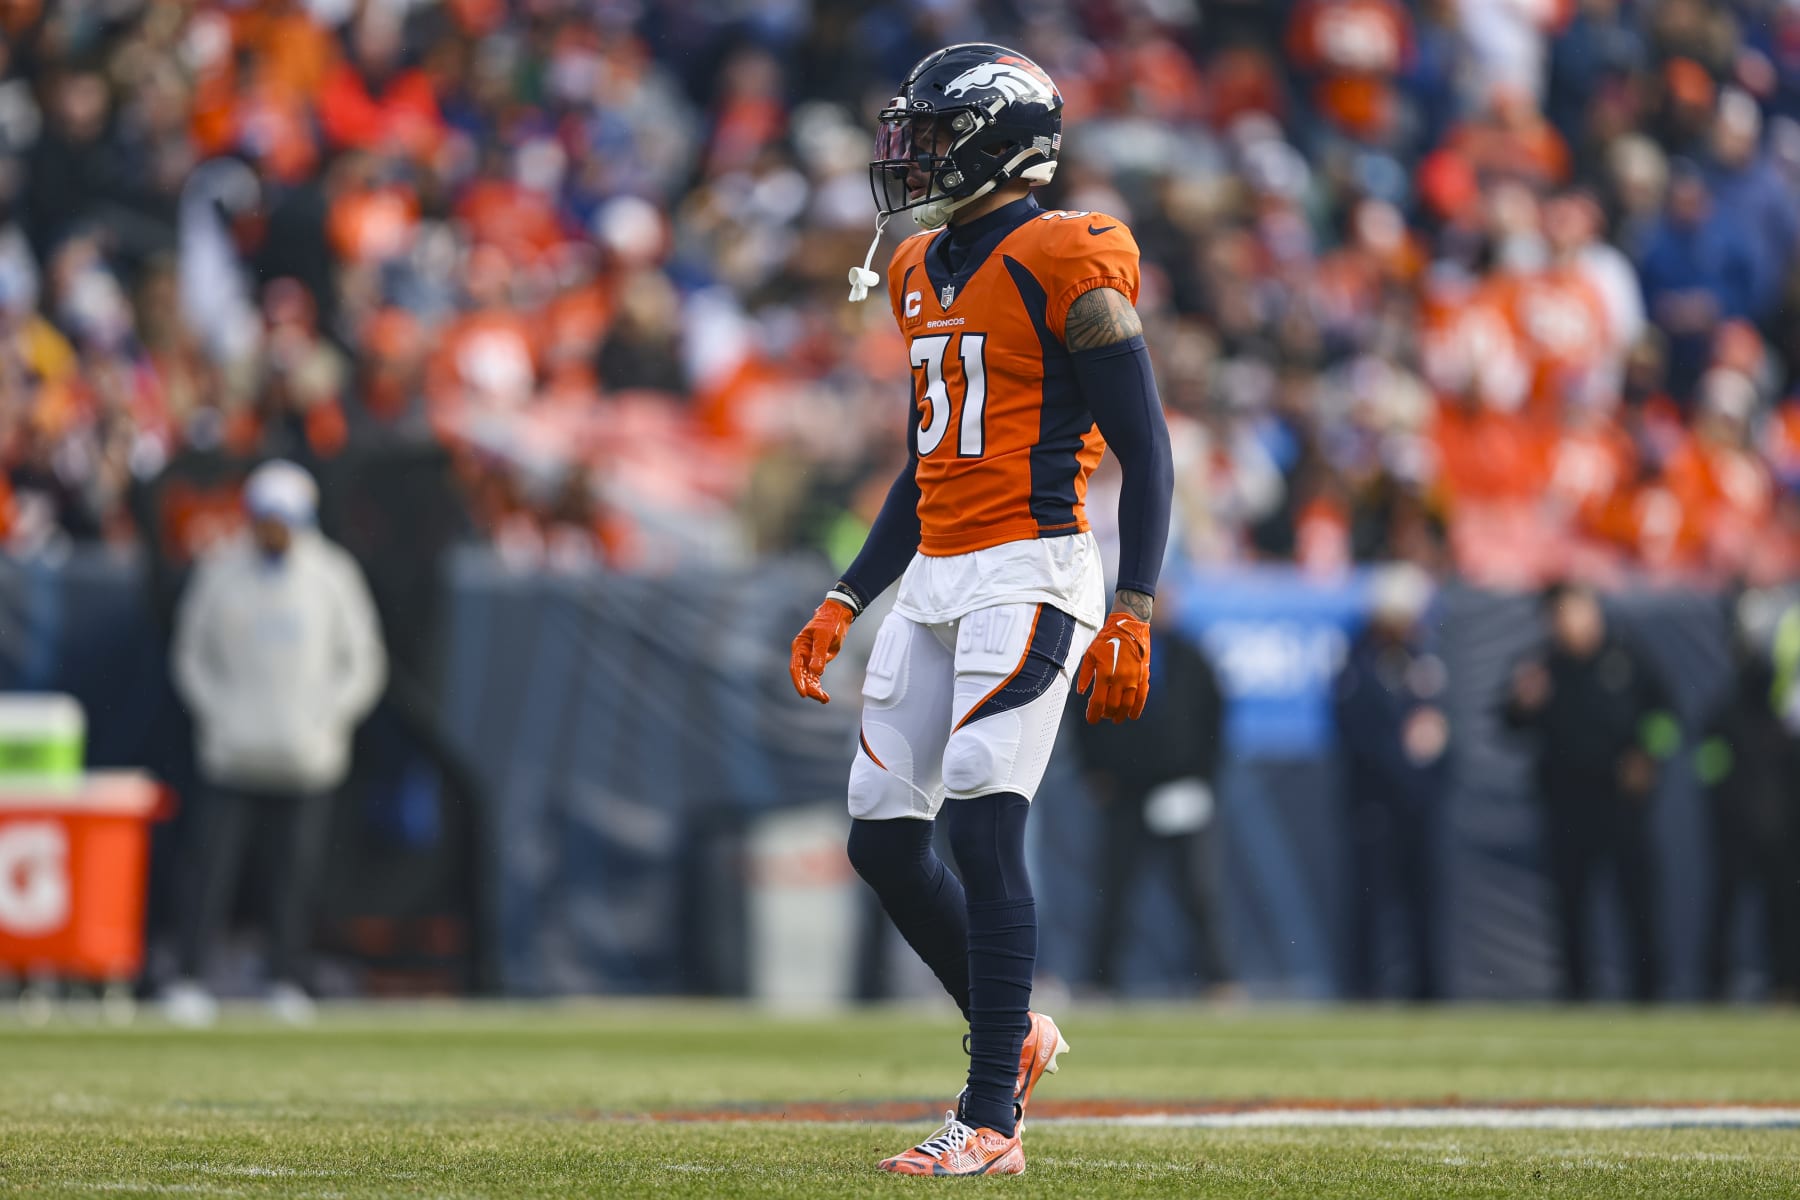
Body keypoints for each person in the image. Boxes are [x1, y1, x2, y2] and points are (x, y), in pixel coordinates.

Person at [787, 42, 1173, 1176]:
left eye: (937, 133)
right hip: (942, 568)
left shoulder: (1069, 253)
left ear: (1004, 139)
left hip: (1034, 569)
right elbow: (927, 461)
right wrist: (847, 591)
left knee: (984, 816)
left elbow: (1147, 453)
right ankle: (1019, 1033)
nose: (915, 156)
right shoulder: (914, 268)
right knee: (880, 834)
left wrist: (1136, 602)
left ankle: (990, 1115)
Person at [163, 460, 387, 1026]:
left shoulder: (333, 575)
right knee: (211, 870)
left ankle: (287, 978)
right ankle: (189, 977)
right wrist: (220, 716)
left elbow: (361, 663)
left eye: (282, 520)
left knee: (295, 876)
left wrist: (326, 722)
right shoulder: (220, 571)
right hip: (232, 750)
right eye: (265, 519)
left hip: (307, 755)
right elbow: (192, 655)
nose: (273, 531)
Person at [1502, 581, 1673, 1002]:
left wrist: (1648, 756)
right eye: (1561, 615)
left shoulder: (1627, 658)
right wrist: (1521, 703)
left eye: (1578, 611)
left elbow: (1667, 716)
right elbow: (1508, 723)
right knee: (1570, 906)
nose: (1571, 623)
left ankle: (1648, 995)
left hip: (1621, 802)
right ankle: (1576, 995)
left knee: (1636, 903)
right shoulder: (1543, 667)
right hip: (1566, 803)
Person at [1072, 592, 1231, 998]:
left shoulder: (1190, 656)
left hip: (1178, 787)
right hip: (1125, 789)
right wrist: (1095, 770)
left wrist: (1201, 776)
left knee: (1197, 891)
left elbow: (1214, 718)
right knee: (1114, 890)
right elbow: (1083, 712)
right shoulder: (1107, 653)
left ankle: (1217, 979)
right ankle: (1099, 980)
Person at [1332, 564, 1450, 1001]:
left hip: (1419, 802)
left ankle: (1429, 990)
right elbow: (1358, 732)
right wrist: (1403, 759)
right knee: (1370, 901)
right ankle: (1364, 988)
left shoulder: (1424, 660)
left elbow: (1440, 726)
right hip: (1376, 802)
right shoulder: (1358, 661)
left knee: (1423, 900)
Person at [1697, 589, 1800, 1000]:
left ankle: (1786, 984)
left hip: (1780, 831)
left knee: (1784, 910)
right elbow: (1709, 768)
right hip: (1739, 831)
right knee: (1727, 909)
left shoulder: (1784, 731)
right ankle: (1714, 987)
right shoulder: (1724, 717)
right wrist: (1725, 807)